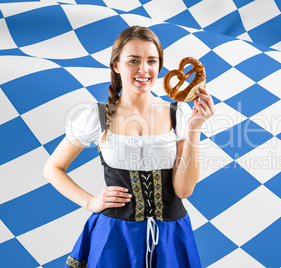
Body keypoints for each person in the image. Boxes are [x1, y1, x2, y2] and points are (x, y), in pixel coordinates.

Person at [43, 25, 215, 268]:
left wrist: (195, 127)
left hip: (170, 236)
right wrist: (90, 202)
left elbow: (184, 191)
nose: (143, 70)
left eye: (151, 61)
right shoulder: (98, 116)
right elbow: (53, 168)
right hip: (114, 236)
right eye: (133, 60)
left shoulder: (179, 114)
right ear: (116, 65)